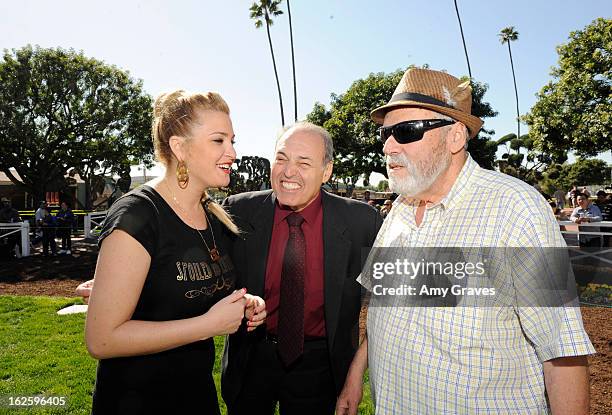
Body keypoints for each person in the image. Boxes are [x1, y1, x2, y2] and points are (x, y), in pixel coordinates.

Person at [348, 68, 595, 414]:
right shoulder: (400, 210)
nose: (388, 146)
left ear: (455, 137)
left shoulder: (515, 209)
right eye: (386, 133)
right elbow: (386, 307)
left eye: (405, 131)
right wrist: (355, 375)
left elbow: (562, 351)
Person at [83, 90, 266, 414]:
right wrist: (208, 325)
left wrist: (244, 305)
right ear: (179, 147)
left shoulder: (213, 217)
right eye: (219, 141)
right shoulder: (139, 215)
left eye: (232, 140)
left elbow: (189, 292)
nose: (233, 153)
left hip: (197, 397)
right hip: (136, 402)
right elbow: (102, 340)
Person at [221, 122, 382, 415]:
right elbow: (216, 282)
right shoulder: (238, 211)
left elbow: (385, 304)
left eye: (303, 163)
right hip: (252, 356)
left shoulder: (362, 222)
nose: (288, 171)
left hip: (321, 365)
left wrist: (357, 372)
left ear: (327, 171)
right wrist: (238, 301)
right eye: (281, 159)